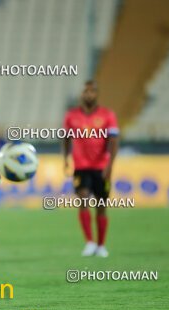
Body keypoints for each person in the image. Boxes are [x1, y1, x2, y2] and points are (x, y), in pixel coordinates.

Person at [63, 80, 119, 257]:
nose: (89, 95)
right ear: (82, 94)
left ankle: (101, 245)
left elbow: (114, 142)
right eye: (86, 91)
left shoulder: (107, 115)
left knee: (101, 205)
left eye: (92, 91)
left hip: (101, 167)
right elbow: (65, 138)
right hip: (80, 167)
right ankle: (89, 242)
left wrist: (110, 166)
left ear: (97, 94)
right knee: (83, 199)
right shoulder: (71, 116)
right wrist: (66, 158)